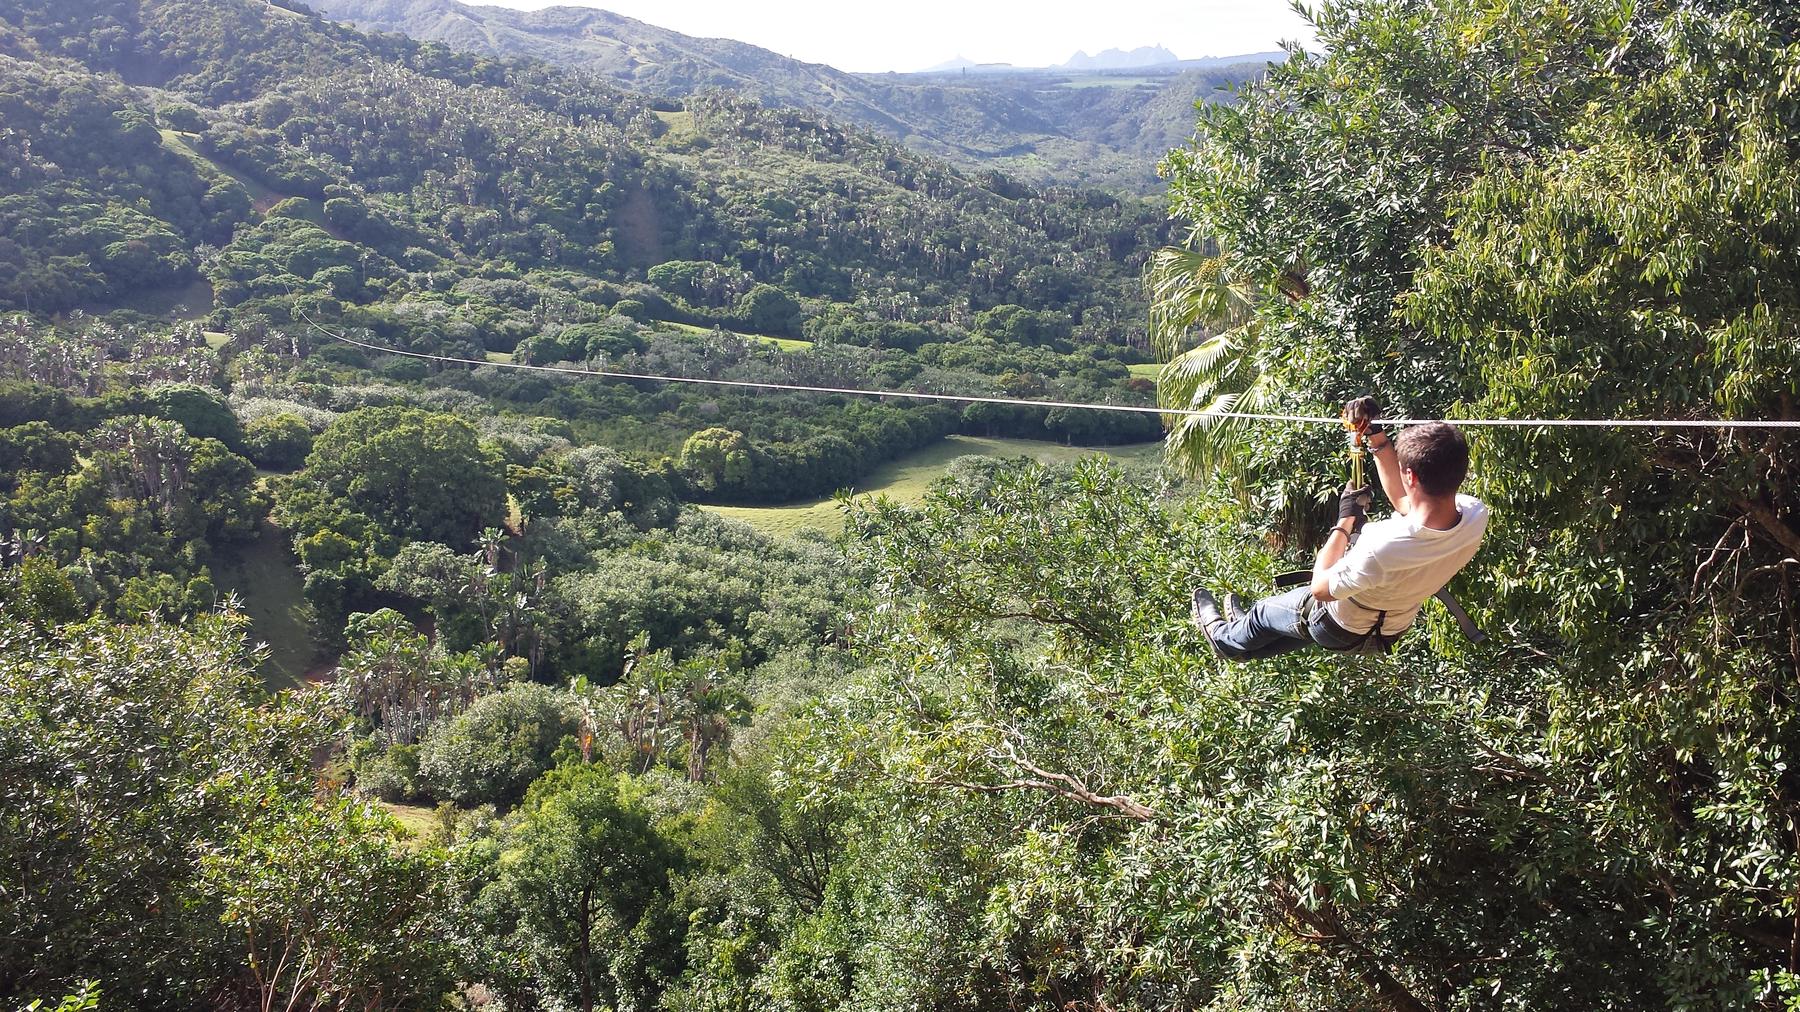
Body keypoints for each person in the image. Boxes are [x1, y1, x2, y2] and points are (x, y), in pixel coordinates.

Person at [1191, 398, 1489, 659]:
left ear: (1410, 475)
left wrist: (1344, 521)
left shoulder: (1383, 544)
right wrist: (1375, 437)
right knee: (1285, 622)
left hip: (1337, 624)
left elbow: (1320, 589)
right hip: (1391, 630)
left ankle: (1223, 640)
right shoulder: (1475, 515)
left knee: (1263, 614)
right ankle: (1245, 642)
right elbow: (1403, 501)